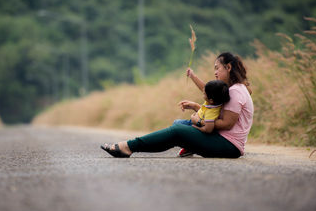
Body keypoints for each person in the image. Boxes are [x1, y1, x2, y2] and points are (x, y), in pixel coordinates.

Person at [100, 52, 254, 159]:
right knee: (178, 126)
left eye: (217, 68)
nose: (215, 72)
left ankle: (129, 146)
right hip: (220, 140)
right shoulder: (232, 89)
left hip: (228, 146)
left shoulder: (236, 92)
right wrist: (196, 109)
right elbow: (210, 97)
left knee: (177, 131)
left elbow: (227, 124)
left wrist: (198, 121)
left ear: (228, 67)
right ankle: (132, 147)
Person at [177, 80, 230, 157]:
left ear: (211, 100)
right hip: (195, 122)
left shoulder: (211, 112)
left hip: (198, 128)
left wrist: (197, 127)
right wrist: (194, 105)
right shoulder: (211, 103)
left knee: (177, 124)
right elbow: (202, 112)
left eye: (204, 93)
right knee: (177, 123)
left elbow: (208, 129)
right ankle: (189, 147)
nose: (203, 93)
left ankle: (190, 147)